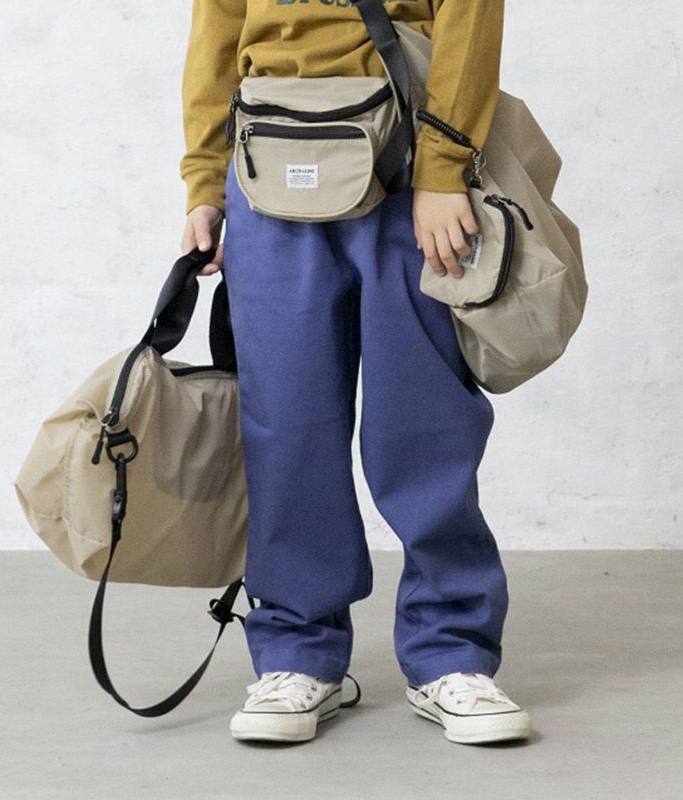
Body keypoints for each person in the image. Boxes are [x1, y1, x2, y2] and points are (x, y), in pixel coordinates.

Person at [179, 0, 530, 746]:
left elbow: (470, 24)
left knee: (425, 424)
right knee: (286, 428)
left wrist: (443, 172)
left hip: (408, 176)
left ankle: (451, 654)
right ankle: (298, 653)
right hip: (268, 171)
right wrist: (205, 184)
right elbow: (217, 33)